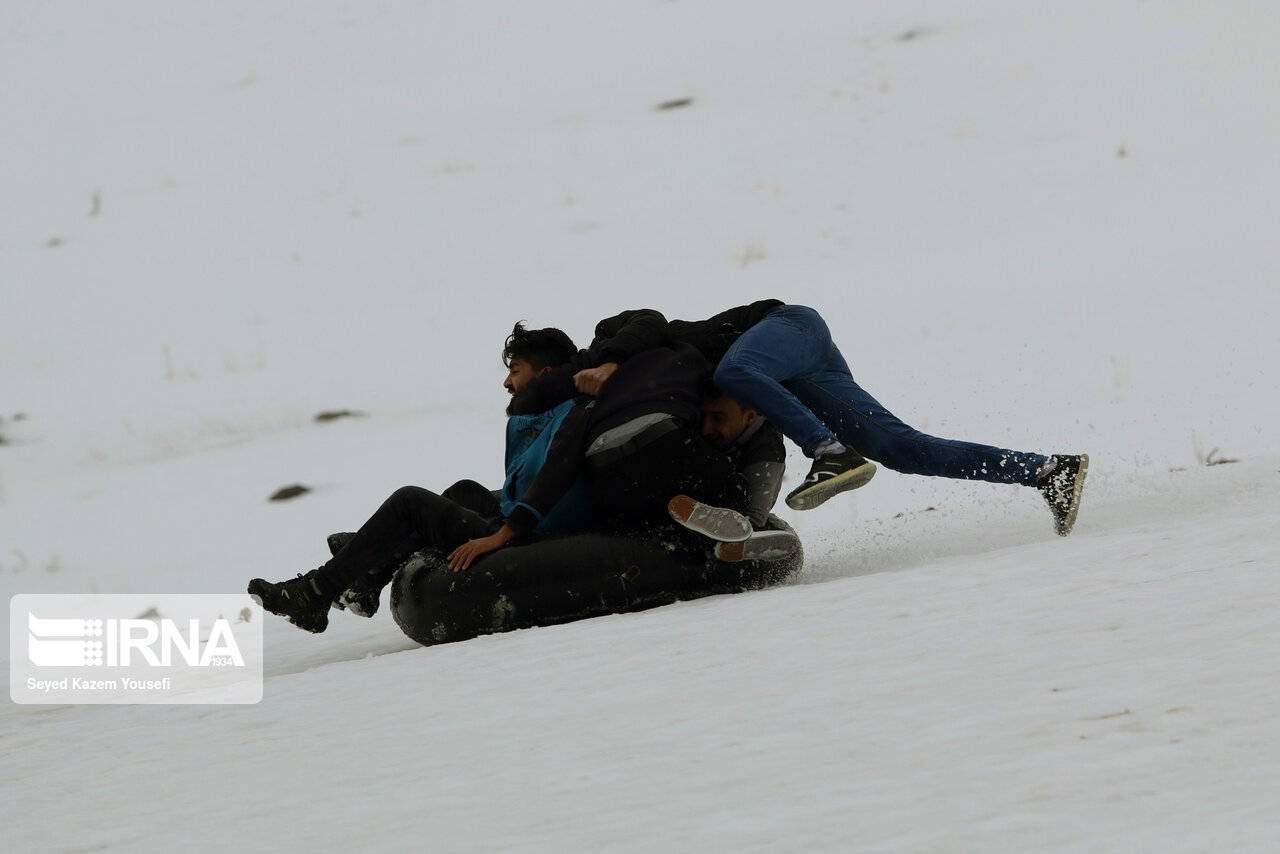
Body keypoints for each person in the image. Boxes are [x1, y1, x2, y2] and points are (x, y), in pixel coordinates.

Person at [596, 300, 1089, 536]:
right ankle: (1046, 471)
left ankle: (830, 452)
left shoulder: (647, 354)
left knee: (734, 368)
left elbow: (649, 319)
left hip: (789, 326)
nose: (711, 426)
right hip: (799, 368)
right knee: (901, 449)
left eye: (716, 419)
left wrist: (609, 356)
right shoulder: (744, 403)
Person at [248, 322, 595, 633]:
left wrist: (501, 535)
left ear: (545, 373)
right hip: (529, 524)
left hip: (536, 538)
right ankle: (370, 575)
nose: (506, 382)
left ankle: (315, 595)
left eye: (515, 371)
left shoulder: (570, 417)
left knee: (410, 502)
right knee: (465, 491)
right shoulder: (547, 414)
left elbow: (553, 480)